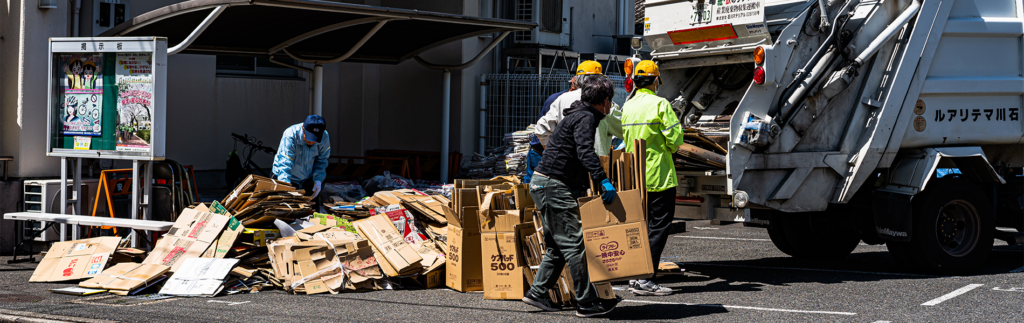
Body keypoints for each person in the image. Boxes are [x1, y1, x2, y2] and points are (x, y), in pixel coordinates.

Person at [521, 76, 621, 318]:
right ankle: (586, 302)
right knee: (575, 244)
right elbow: (585, 151)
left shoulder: (578, 115)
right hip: (553, 185)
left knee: (557, 246)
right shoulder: (586, 118)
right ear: (605, 101)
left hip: (546, 184)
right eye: (610, 101)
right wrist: (603, 179)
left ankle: (537, 293)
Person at [620, 61, 686, 296]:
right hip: (659, 175)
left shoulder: (627, 106)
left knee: (641, 227)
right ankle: (646, 279)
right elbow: (675, 139)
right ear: (656, 81)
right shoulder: (660, 104)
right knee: (658, 227)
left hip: (634, 176)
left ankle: (636, 276)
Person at [534, 60, 623, 157]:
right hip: (594, 165)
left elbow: (541, 128)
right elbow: (625, 130)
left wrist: (551, 154)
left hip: (566, 166)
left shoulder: (562, 99)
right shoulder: (605, 103)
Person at [272, 115, 331, 207]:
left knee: (310, 212)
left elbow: (322, 160)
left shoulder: (324, 136)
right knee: (284, 211)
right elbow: (285, 162)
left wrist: (318, 180)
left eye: (315, 140)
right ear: (303, 128)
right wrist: (284, 186)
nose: (311, 142)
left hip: (306, 179)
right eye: (309, 138)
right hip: (286, 177)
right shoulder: (290, 134)